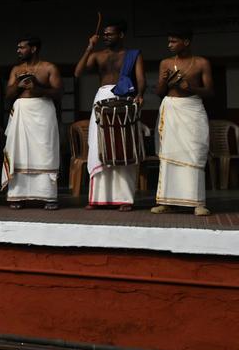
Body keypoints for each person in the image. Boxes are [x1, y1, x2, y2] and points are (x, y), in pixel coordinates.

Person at [74, 19, 145, 211]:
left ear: (121, 35)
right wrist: (89, 47)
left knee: (123, 147)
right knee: (99, 146)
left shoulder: (133, 55)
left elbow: (140, 79)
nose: (105, 37)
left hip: (125, 99)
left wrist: (140, 94)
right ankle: (98, 198)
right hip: (102, 99)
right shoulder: (97, 55)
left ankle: (125, 199)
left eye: (110, 34)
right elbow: (78, 72)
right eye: (104, 34)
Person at [152, 30, 213, 216]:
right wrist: (164, 81)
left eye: (173, 41)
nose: (169, 45)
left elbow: (210, 91)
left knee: (194, 154)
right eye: (169, 41)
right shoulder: (165, 63)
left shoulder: (202, 63)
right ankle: (166, 202)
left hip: (192, 109)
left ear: (186, 42)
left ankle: (198, 203)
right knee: (168, 155)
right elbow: (159, 92)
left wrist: (190, 87)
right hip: (171, 109)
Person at [2, 37, 63, 209]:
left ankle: (48, 197)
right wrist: (19, 85)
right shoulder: (16, 69)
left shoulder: (49, 68)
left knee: (45, 152)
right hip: (22, 112)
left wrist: (38, 88)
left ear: (34, 49)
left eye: (22, 47)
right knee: (18, 151)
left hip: (43, 112)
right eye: (18, 47)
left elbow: (59, 93)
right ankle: (17, 196)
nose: (18, 50)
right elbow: (8, 94)